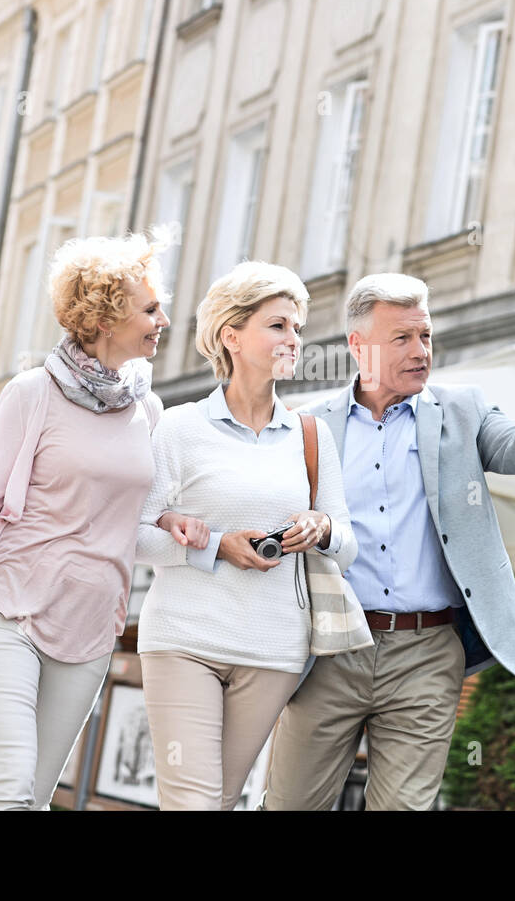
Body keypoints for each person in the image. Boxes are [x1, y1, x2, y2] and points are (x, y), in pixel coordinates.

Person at [263, 273, 515, 810]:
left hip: (427, 653)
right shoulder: (308, 427)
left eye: (426, 336)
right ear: (358, 346)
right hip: (330, 648)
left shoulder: (463, 410)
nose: (421, 352)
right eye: (402, 339)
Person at [0, 234, 173, 810]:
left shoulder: (149, 408)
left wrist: (195, 533)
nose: (163, 319)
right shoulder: (31, 394)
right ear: (106, 317)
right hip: (8, 609)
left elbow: (145, 518)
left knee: (36, 799)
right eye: (149, 309)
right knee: (10, 791)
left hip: (89, 627)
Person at [135, 261, 358, 810]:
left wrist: (321, 527)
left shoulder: (310, 434)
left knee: (223, 800)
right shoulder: (181, 428)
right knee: (192, 802)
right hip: (183, 641)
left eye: (298, 328)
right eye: (278, 325)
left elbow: (347, 543)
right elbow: (134, 536)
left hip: (272, 649)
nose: (294, 338)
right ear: (231, 336)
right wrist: (216, 547)